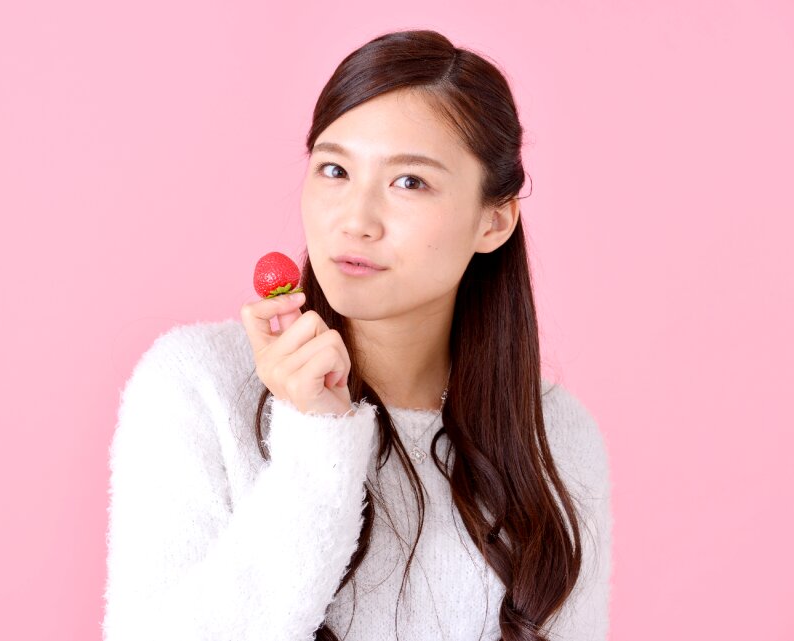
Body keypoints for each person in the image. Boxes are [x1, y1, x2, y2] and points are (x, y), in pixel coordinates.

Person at [102, 29, 612, 641]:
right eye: (335, 169)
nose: (355, 220)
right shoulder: (198, 385)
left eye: (409, 182)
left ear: (493, 220)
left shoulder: (556, 435)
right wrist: (316, 436)